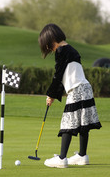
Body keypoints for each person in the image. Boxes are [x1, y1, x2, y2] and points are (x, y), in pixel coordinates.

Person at [38, 23, 102, 168]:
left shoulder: (61, 51)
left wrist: (51, 95)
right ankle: (82, 155)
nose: (49, 49)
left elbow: (58, 76)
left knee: (68, 123)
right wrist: (54, 94)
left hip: (77, 90)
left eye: (48, 46)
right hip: (86, 88)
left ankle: (61, 159)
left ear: (50, 41)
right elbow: (65, 76)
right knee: (83, 123)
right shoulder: (72, 50)